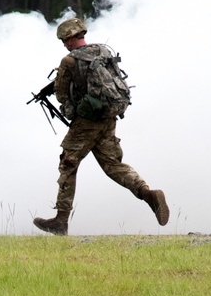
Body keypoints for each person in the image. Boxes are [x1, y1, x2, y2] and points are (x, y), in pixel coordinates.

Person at [33, 18, 169, 236]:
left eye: (64, 40)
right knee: (113, 165)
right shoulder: (103, 52)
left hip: (87, 122)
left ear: (70, 38)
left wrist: (70, 109)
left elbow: (62, 94)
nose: (64, 44)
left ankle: (60, 220)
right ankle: (148, 194)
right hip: (109, 116)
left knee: (68, 163)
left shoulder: (69, 61)